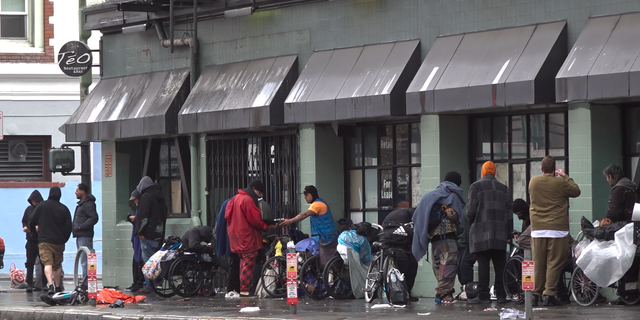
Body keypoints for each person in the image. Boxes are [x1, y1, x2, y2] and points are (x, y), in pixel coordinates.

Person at [529, 156, 581, 306]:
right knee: (554, 262)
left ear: (541, 168)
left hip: (538, 229)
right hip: (557, 229)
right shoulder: (560, 183)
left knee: (538, 262)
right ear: (554, 169)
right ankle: (549, 294)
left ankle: (534, 295)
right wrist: (565, 176)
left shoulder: (533, 181)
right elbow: (576, 191)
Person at [412, 171, 466, 304]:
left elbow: (418, 216)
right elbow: (456, 217)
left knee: (438, 266)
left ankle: (442, 293)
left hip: (433, 239)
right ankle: (443, 294)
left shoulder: (431, 195)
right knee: (449, 265)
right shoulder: (452, 195)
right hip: (448, 238)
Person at [467, 161, 512, 304]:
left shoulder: (476, 187)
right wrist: (508, 234)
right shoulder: (504, 189)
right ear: (494, 172)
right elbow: (509, 214)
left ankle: (483, 295)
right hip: (500, 233)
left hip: (481, 233)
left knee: (483, 264)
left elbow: (470, 212)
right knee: (500, 265)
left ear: (483, 171)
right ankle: (501, 295)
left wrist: (470, 220)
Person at [225, 180, 273, 297]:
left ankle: (243, 290)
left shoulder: (235, 199)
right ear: (255, 190)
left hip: (235, 236)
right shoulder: (248, 200)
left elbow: (227, 216)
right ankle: (245, 291)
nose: (259, 195)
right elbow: (255, 220)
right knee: (248, 263)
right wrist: (267, 226)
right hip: (247, 237)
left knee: (242, 262)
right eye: (259, 192)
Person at [29, 186, 72, 305]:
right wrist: (64, 239)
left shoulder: (42, 206)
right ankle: (58, 288)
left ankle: (50, 286)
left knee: (47, 263)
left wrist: (33, 231)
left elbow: (32, 220)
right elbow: (68, 226)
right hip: (59, 241)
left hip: (45, 240)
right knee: (57, 265)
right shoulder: (64, 208)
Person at [134, 176, 168, 294]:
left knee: (147, 261)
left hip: (148, 235)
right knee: (155, 261)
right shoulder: (160, 197)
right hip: (158, 234)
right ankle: (155, 283)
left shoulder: (146, 197)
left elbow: (144, 216)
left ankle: (149, 285)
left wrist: (141, 231)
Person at [382, 207, 419, 302]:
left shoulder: (405, 214)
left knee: (411, 262)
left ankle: (405, 292)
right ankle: (403, 292)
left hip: (397, 242)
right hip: (394, 243)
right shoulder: (406, 216)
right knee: (406, 263)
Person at [73, 183, 99, 288]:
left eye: (77, 190)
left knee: (85, 261)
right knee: (84, 260)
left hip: (84, 235)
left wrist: (80, 226)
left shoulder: (88, 204)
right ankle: (85, 282)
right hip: (81, 235)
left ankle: (86, 284)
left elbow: (94, 218)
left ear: (82, 191)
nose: (76, 192)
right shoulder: (83, 204)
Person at [215, 197, 241, 296]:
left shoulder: (227, 204)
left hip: (229, 238)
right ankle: (233, 288)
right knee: (236, 263)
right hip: (235, 239)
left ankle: (232, 288)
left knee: (234, 263)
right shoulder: (234, 205)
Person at [21, 190, 44, 292]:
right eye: (33, 201)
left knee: (43, 262)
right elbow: (24, 220)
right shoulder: (28, 210)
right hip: (31, 239)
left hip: (40, 240)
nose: (34, 203)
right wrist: (25, 227)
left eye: (36, 201)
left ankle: (43, 283)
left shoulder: (43, 210)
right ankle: (29, 283)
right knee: (29, 262)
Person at [125, 189, 144, 292]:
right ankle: (137, 282)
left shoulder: (141, 209)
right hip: (138, 238)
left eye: (135, 199)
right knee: (136, 261)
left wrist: (134, 219)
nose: (134, 201)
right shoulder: (140, 208)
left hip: (139, 238)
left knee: (138, 261)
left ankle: (139, 282)